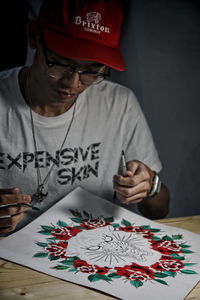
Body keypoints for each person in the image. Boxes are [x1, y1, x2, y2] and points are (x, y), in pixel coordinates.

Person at [0, 0, 169, 235]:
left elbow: (159, 209)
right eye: (60, 63)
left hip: (94, 250)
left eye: (92, 70)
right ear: (33, 36)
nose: (72, 83)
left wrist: (149, 186)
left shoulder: (119, 103)